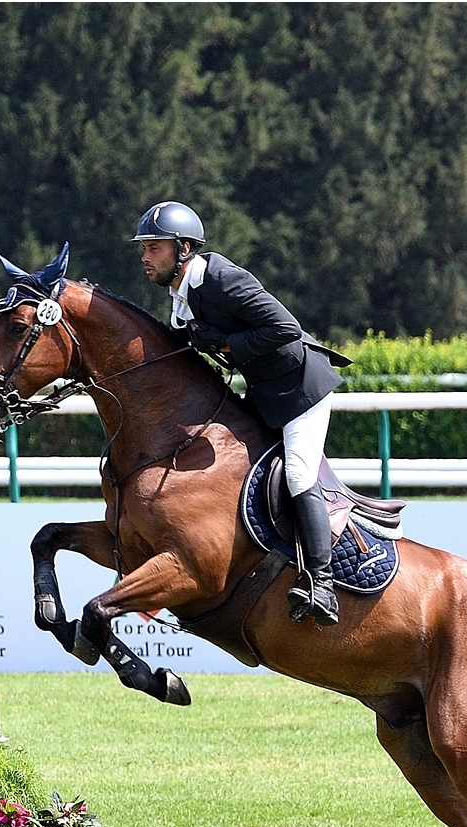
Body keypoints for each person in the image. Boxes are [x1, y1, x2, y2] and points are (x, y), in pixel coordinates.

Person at [131, 200, 350, 626]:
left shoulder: (221, 279)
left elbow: (285, 328)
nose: (144, 256)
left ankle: (321, 584)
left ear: (184, 249)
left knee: (298, 475)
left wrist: (226, 344)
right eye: (144, 248)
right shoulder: (182, 294)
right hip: (266, 393)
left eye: (154, 247)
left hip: (301, 389)